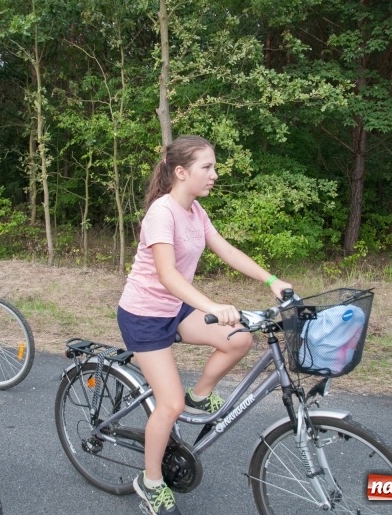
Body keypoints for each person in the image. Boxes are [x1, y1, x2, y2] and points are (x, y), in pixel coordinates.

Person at [117, 135, 292, 515]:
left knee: (238, 338)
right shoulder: (161, 213)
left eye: (214, 166)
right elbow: (166, 275)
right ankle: (149, 483)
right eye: (207, 167)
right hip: (144, 314)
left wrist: (271, 281)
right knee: (170, 404)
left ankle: (202, 393)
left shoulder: (196, 212)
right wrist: (212, 304)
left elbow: (226, 250)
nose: (214, 174)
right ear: (181, 172)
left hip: (174, 309)